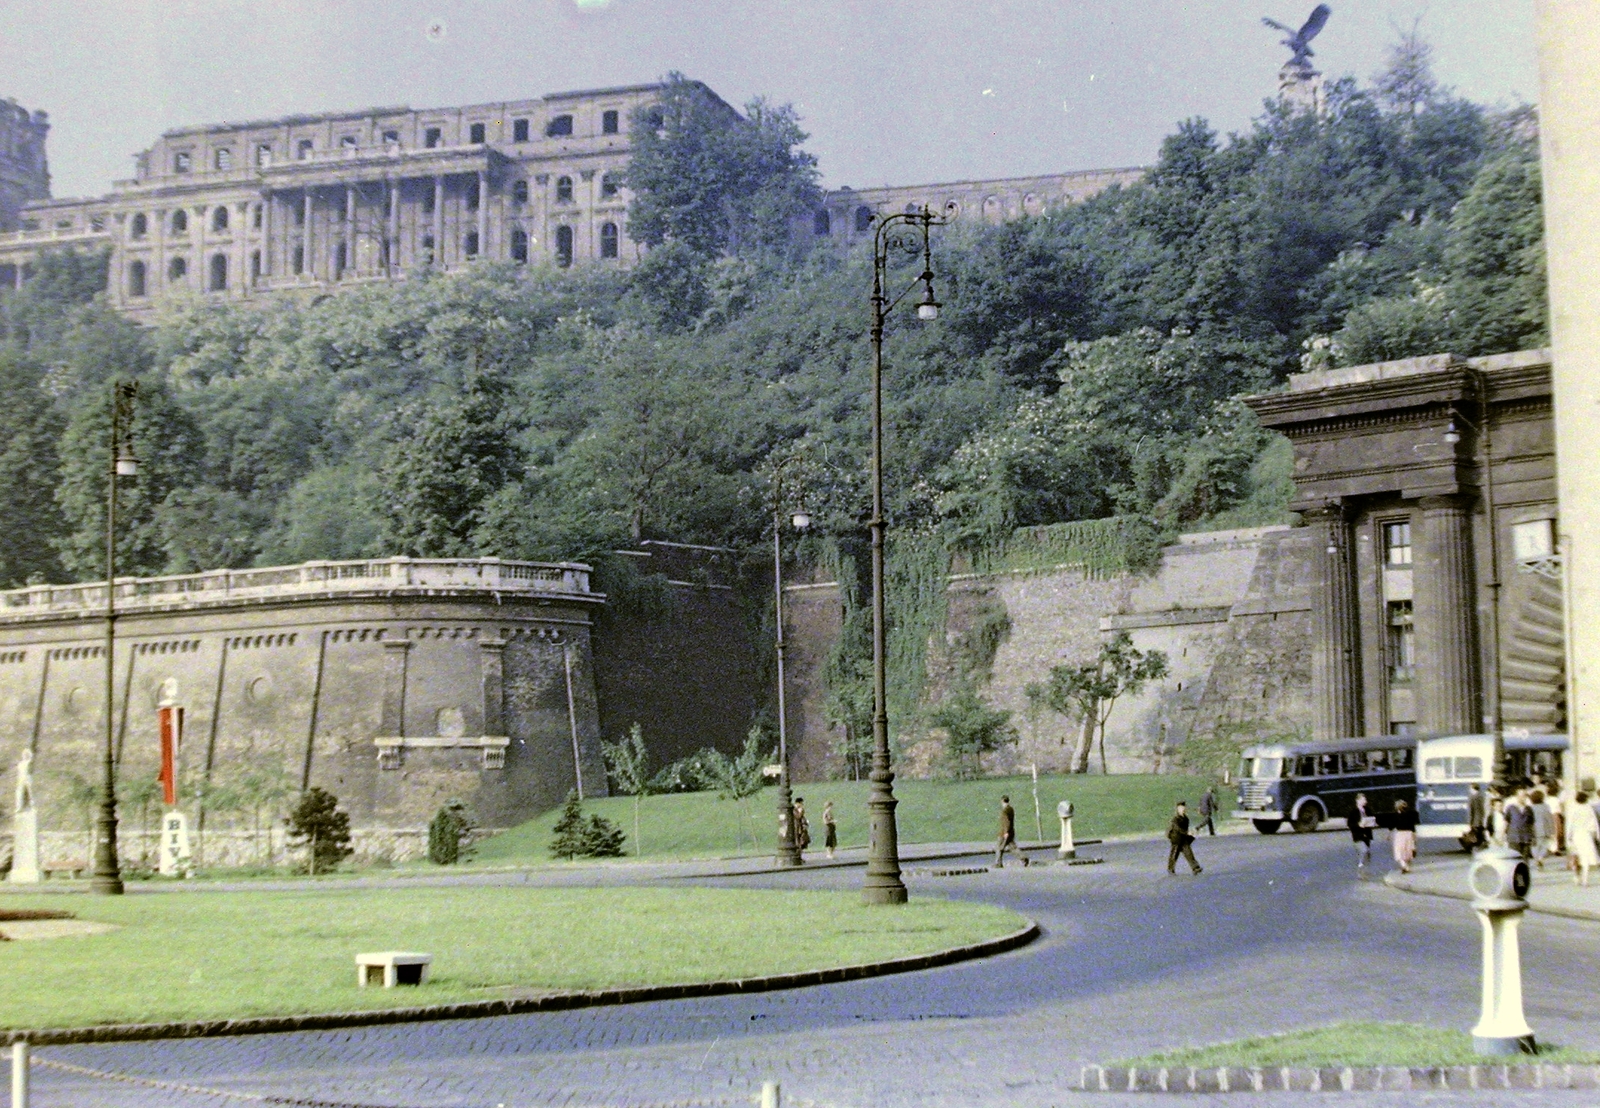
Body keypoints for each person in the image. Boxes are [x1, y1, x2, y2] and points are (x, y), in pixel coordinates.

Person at [1569, 790, 1600, 887]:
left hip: (1575, 835)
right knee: (1586, 858)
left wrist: (1569, 836)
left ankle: (1576, 876)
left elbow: (1570, 824)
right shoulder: (1588, 809)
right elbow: (1594, 823)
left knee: (1576, 856)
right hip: (1586, 835)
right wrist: (1597, 835)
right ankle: (1585, 879)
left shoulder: (1573, 809)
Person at [1166, 800, 1202, 875]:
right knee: (1174, 854)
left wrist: (1190, 834)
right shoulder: (1175, 819)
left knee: (1188, 852)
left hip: (1183, 839)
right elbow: (1177, 829)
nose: (1183, 809)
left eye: (1184, 808)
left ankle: (1195, 867)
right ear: (1178, 809)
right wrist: (1187, 833)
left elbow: (1185, 829)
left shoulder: (1186, 819)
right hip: (1175, 838)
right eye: (1181, 808)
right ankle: (1170, 869)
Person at [994, 795, 1029, 867]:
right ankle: (1024, 858)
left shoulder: (1004, 811)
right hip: (1011, 831)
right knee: (1013, 848)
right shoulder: (1011, 809)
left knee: (999, 847)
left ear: (1002, 801)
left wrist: (1006, 832)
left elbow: (1007, 822)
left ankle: (998, 863)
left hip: (1004, 832)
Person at [1505, 786, 1535, 862]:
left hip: (1526, 837)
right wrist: (1503, 835)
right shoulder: (1511, 808)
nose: (1523, 798)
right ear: (1517, 796)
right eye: (1521, 796)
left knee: (1525, 860)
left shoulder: (1529, 809)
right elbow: (1506, 822)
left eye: (1524, 796)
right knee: (1514, 860)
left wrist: (1533, 837)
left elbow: (1532, 823)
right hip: (1514, 837)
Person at [1349, 793, 1375, 875]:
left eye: (1365, 800)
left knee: (1367, 854)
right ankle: (1360, 867)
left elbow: (1372, 818)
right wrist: (1358, 825)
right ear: (1358, 800)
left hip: (1366, 835)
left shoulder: (1367, 810)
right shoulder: (1353, 811)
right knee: (1364, 850)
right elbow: (1350, 824)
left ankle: (1365, 871)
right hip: (1358, 835)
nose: (1365, 802)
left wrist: (1371, 823)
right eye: (1363, 800)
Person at [1391, 798, 1418, 874]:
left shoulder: (1396, 816)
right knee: (1408, 851)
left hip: (1400, 834)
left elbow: (1392, 826)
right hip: (1409, 834)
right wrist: (1414, 836)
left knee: (1399, 851)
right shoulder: (1410, 815)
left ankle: (1404, 866)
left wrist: (1389, 834)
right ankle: (1407, 866)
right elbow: (1413, 826)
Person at [1530, 789, 1554, 869]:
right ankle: (1541, 858)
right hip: (1545, 829)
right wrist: (1552, 830)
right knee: (1544, 846)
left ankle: (1537, 859)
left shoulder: (1530, 808)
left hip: (1534, 830)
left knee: (1534, 847)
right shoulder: (1546, 807)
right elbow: (1549, 819)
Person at [1466, 783, 1487, 850]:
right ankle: (1481, 847)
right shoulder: (1482, 796)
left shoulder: (1472, 797)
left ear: (1473, 788)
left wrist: (1470, 822)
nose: (1469, 790)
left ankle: (1476, 849)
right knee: (1481, 835)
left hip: (1475, 821)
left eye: (1470, 788)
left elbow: (1471, 811)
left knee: (1475, 837)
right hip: (1481, 820)